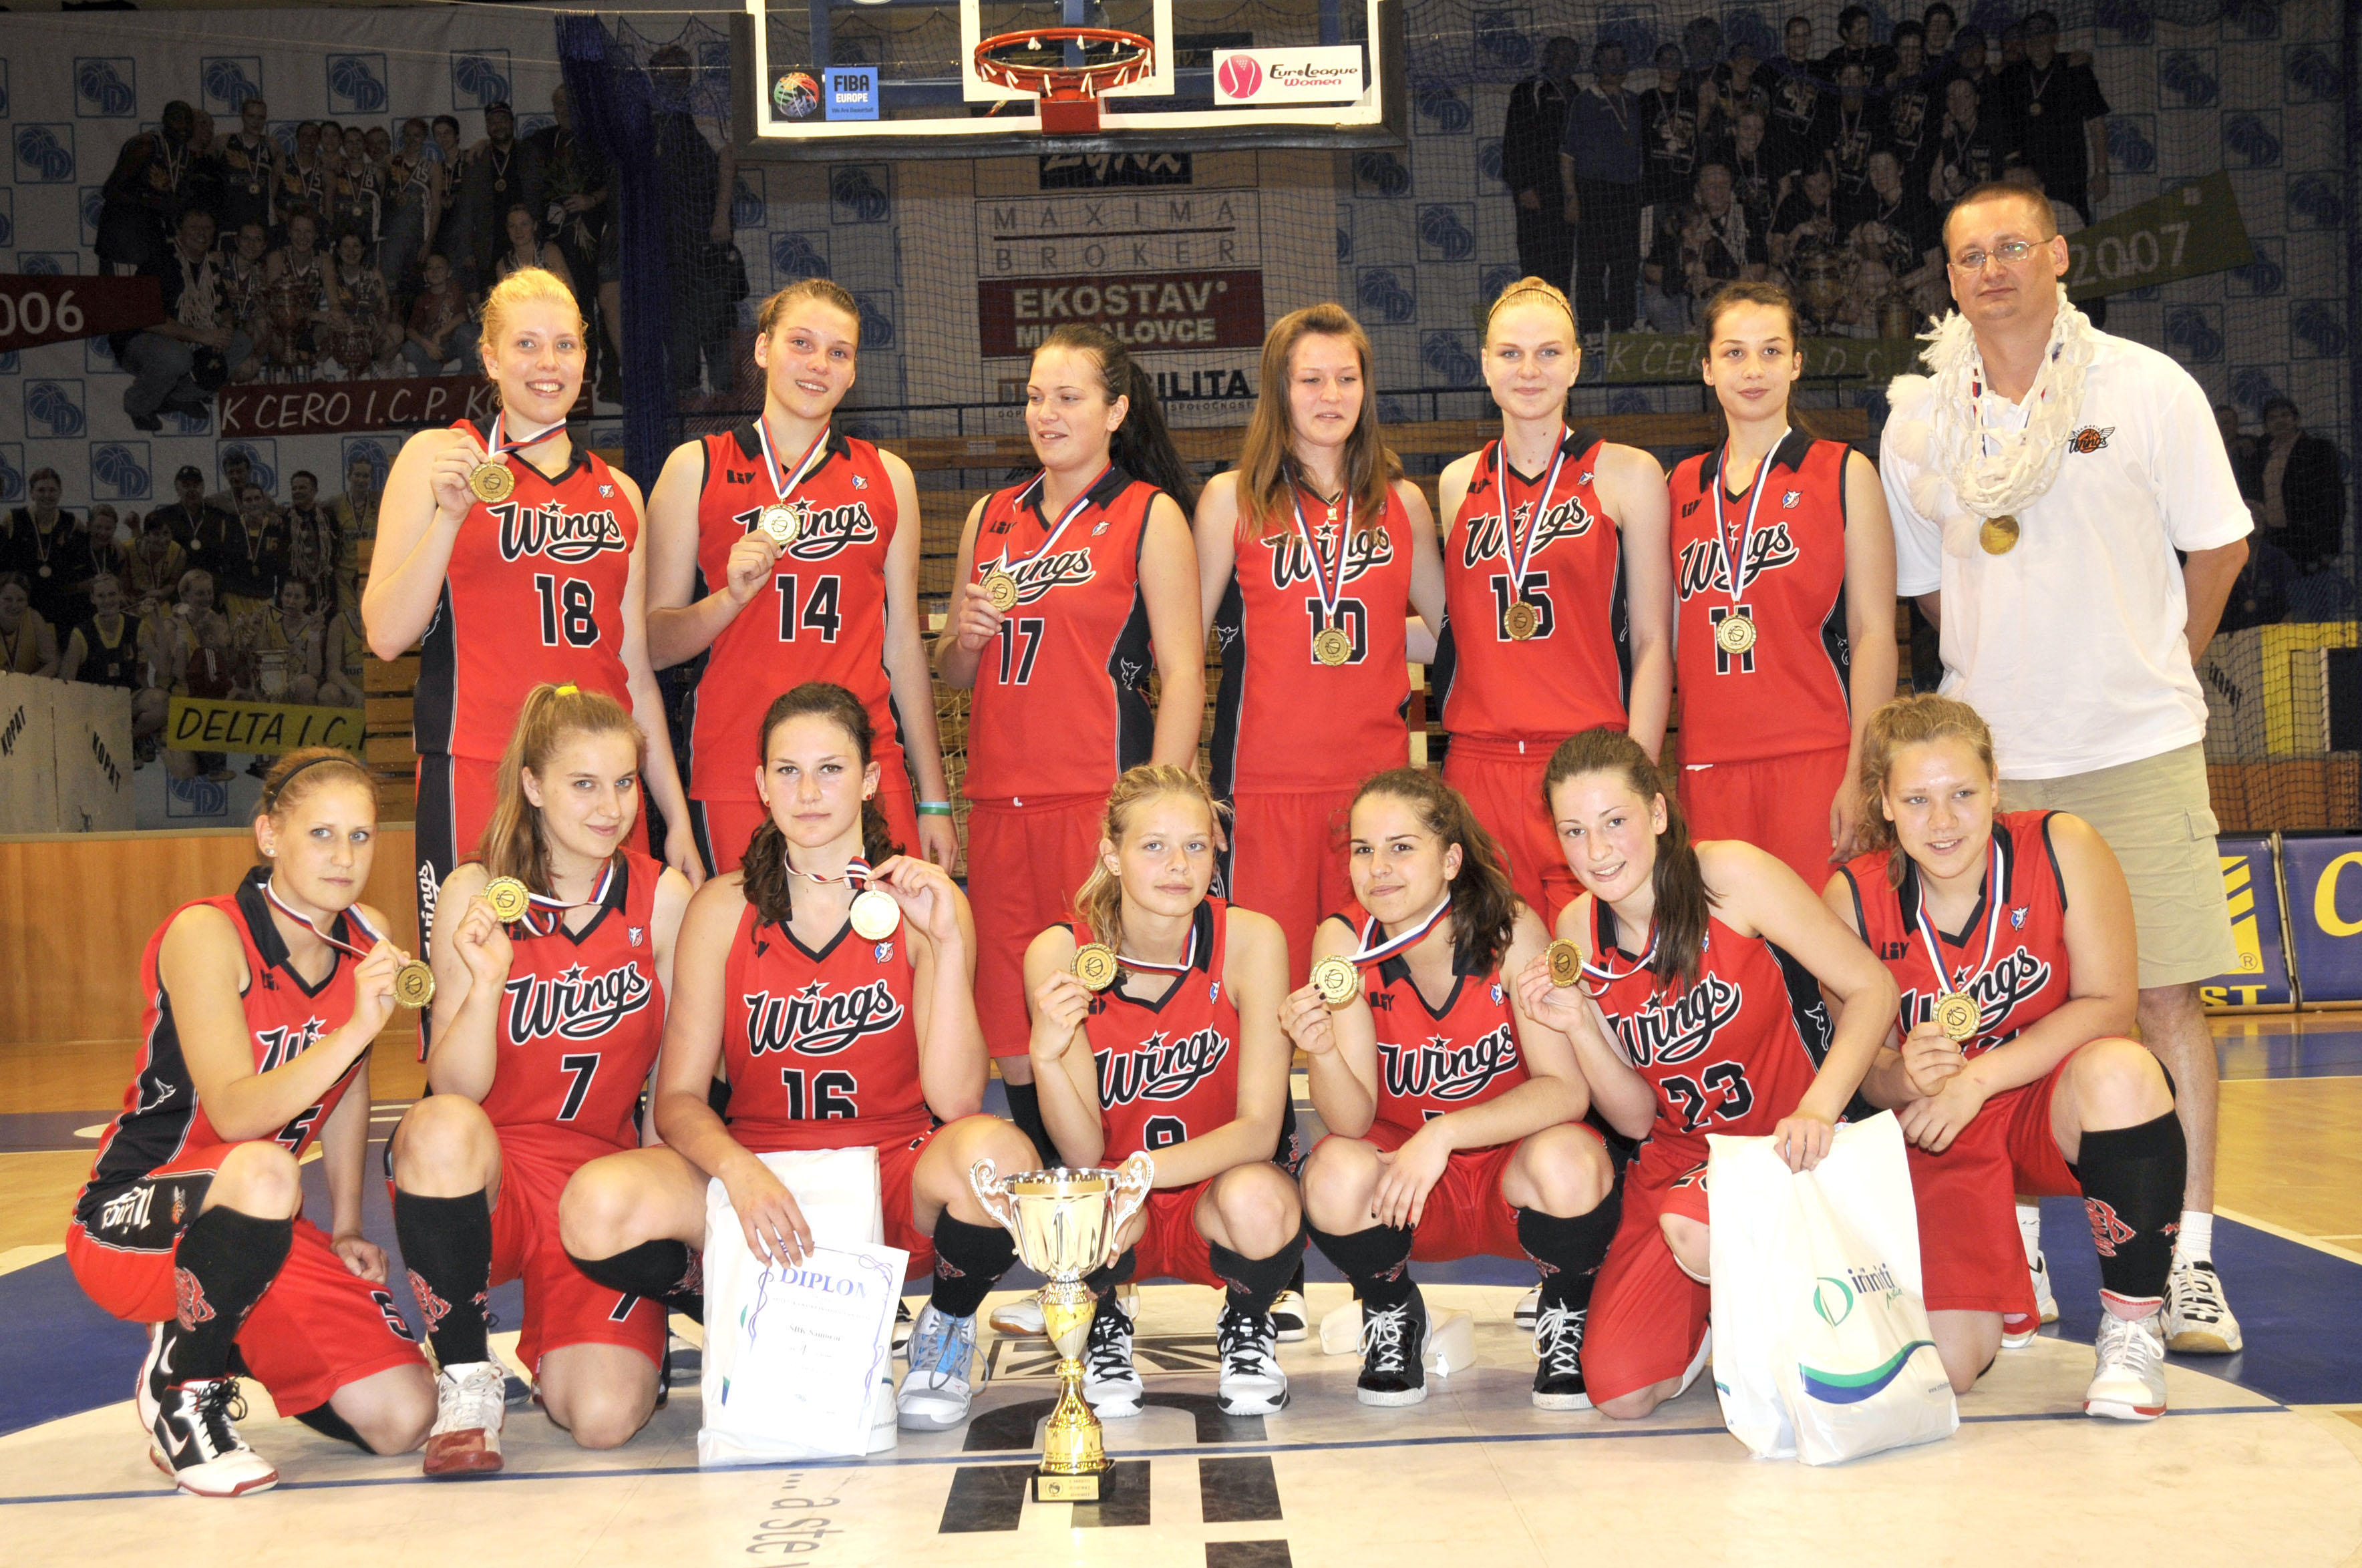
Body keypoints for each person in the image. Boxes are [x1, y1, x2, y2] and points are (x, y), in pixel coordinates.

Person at [1880, 180, 2252, 1356]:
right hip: (1994, 770)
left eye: (2012, 247)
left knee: (2165, 999)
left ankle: (2189, 1261)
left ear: (2058, 257)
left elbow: (2221, 548)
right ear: (1948, 279)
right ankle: (2018, 1253)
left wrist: (2156, 665)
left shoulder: (2146, 387)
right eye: (1968, 255)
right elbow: (1931, 591)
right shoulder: (1916, 422)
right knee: (1991, 1011)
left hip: (2136, 748)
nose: (1991, 269)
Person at [558, 682, 1037, 1433]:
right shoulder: (721, 907)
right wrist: (739, 1171)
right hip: (765, 1174)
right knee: (595, 1207)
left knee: (1001, 1159)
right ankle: (756, 1310)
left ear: (870, 780)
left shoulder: (923, 903)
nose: (808, 792)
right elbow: (676, 1099)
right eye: (787, 771)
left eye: (830, 769)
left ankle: (945, 1326)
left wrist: (946, 943)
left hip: (890, 1170)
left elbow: (955, 1102)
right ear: (760, 783)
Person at [65, 749, 436, 1495]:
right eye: (321, 834)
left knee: (403, 1417)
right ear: (269, 835)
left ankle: (214, 1322)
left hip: (256, 1225)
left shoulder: (367, 933)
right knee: (266, 1169)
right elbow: (234, 1113)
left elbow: (346, 1087)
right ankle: (185, 1389)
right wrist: (356, 1029)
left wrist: (347, 1226)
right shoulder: (208, 932)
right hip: (136, 1213)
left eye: (361, 835)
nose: (344, 856)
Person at [1518, 727, 1896, 1419]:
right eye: (1574, 831)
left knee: (1695, 1224)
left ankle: (1783, 1316)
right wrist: (1578, 1027)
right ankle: (1718, 1317)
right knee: (1621, 1391)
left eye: (1614, 822)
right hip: (1683, 1157)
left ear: (1658, 813)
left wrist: (1819, 1106)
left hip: (1792, 1140)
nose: (1596, 851)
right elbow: (1636, 1118)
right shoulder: (1576, 931)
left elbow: (1872, 987)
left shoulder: (1729, 875)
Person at [1830, 694, 2189, 1417]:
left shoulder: (2062, 846)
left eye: (1962, 793)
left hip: (2037, 1105)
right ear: (1885, 804)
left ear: (1995, 786)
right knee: (1950, 1367)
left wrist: (1978, 1079)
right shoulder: (1850, 898)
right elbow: (1863, 1071)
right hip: (1936, 1132)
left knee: (2124, 1070)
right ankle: (2003, 1291)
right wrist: (1904, 1074)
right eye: (1917, 799)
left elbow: (2109, 1002)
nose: (1942, 820)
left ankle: (2131, 1327)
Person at [388, 684, 692, 1473]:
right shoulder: (475, 891)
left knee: (603, 1418)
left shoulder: (662, 898)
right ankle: (465, 1374)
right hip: (492, 1179)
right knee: (438, 1127)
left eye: (623, 782)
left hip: (602, 1182)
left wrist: (655, 1212)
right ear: (531, 784)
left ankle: (592, 1339)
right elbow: (453, 1087)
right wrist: (488, 981)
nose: (610, 807)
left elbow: (673, 1082)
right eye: (582, 784)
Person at [364, 266, 703, 958]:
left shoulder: (620, 493)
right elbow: (387, 634)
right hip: (480, 766)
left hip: (602, 785)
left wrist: (674, 815)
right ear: (490, 358)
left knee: (605, 986)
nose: (548, 363)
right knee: (473, 984)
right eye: (526, 344)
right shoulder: (438, 457)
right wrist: (449, 517)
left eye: (565, 345)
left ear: (585, 357)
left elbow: (634, 672)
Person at [935, 324, 1204, 1160]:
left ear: (1115, 410)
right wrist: (964, 637)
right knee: (1009, 1015)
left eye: (1067, 397)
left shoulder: (1149, 514)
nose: (1044, 413)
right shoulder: (989, 515)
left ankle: (1113, 1182)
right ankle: (1048, 1189)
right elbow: (952, 673)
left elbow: (1183, 675)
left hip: (1096, 801)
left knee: (1096, 999)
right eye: (1033, 397)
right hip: (997, 800)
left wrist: (1154, 811)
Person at [1283, 769, 1619, 1410]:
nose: (1378, 868)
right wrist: (1321, 1051)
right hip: (1409, 1189)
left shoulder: (1512, 931)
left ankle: (1567, 1312)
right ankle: (1391, 1311)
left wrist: (1445, 1133)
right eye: (1363, 849)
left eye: (1401, 847)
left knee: (1573, 1158)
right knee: (1331, 1173)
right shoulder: (1344, 942)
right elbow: (1351, 1120)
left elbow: (1564, 1091)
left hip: (1509, 1178)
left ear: (1451, 860)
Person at [647, 278, 957, 877]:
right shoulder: (695, 468)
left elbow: (902, 648)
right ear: (763, 349)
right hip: (739, 766)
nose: (819, 364)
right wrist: (729, 600)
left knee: (880, 935)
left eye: (839, 352)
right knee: (748, 935)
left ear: (853, 372)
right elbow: (655, 645)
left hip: (864, 765)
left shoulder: (889, 478)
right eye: (801, 343)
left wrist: (935, 798)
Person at [1025, 765, 1304, 1416]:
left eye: (1196, 845)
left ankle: (1247, 1323)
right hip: (1120, 1210)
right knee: (1079, 1206)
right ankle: (1103, 1323)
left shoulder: (1251, 939)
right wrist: (1045, 1056)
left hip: (1215, 1193)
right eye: (1153, 845)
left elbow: (1260, 1129)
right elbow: (1082, 1148)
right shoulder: (1060, 952)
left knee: (1262, 1197)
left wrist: (1140, 1172)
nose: (1178, 865)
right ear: (1111, 855)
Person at [1195, 303, 1445, 981]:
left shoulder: (1402, 503)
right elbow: (1181, 650)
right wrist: (1185, 784)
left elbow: (1449, 632)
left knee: (1371, 983)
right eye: (1310, 380)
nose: (1330, 395)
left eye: (1346, 378)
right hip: (1261, 787)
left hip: (1377, 794)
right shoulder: (1230, 500)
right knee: (1264, 987)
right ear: (1278, 389)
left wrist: (1390, 644)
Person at [1432, 278, 1672, 921]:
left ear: (1575, 364)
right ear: (1486, 365)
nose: (1529, 370)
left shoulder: (1628, 473)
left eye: (1548, 353)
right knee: (1489, 958)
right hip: (1477, 764)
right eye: (1511, 354)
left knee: (1594, 954)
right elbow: (1459, 628)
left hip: (1586, 761)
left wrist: (1636, 774)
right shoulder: (1457, 483)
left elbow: (1654, 640)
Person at [1669, 282, 1895, 886]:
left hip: (1815, 757)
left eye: (1771, 351)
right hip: (1707, 763)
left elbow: (1874, 632)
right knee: (1726, 943)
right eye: (1734, 353)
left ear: (1796, 363)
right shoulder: (1679, 485)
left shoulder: (1844, 472)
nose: (1753, 370)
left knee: (1824, 935)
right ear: (1707, 368)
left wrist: (1863, 772)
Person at [115, 207, 248, 432]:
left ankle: (181, 397)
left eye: (207, 228)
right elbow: (148, 320)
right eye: (194, 227)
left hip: (190, 340)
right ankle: (139, 407)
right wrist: (202, 336)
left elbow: (225, 308)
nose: (201, 233)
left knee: (241, 342)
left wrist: (226, 327)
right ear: (179, 230)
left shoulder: (209, 266)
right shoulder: (159, 261)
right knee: (177, 357)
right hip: (141, 340)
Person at [1558, 43, 1643, 335]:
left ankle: (1622, 327)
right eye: (1608, 60)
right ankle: (1592, 329)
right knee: (1592, 264)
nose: (1615, 65)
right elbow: (1567, 155)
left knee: (1626, 264)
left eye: (1620, 59)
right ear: (1596, 65)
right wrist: (1572, 197)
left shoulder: (1634, 102)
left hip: (1628, 193)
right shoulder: (1584, 101)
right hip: (1594, 192)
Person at [1992, 11, 2107, 220]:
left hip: (2069, 177)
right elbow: (2002, 127)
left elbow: (2096, 124)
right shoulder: (2011, 76)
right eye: (2030, 36)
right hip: (2028, 179)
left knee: (2073, 230)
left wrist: (2101, 172)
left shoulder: (2076, 70)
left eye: (2042, 34)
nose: (2036, 41)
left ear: (2055, 37)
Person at [1503, 38, 1580, 295]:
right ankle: (1533, 316)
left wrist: (1574, 195)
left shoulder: (1576, 92)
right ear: (1547, 57)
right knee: (1535, 266)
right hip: (1535, 192)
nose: (1565, 61)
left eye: (1571, 57)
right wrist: (1523, 186)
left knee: (1562, 264)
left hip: (1565, 193)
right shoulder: (1530, 89)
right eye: (1560, 55)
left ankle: (1559, 315)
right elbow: (1514, 141)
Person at [63, 573, 168, 739]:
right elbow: (65, 682)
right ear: (92, 599)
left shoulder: (136, 626)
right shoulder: (81, 633)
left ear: (121, 595)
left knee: (161, 701)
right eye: (101, 596)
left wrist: (158, 622)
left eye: (112, 594)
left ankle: (129, 740)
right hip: (94, 703)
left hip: (127, 699)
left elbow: (164, 669)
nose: (107, 600)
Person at [2248, 397, 2345, 574]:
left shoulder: (2318, 450)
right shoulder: (2261, 454)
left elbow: (2332, 500)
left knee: (2308, 590)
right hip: (2272, 539)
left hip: (2307, 542)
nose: (2280, 421)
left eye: (2285, 415)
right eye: (2273, 418)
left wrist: (2328, 547)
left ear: (2297, 420)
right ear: (2265, 426)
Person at [3, 467, 78, 626]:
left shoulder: (70, 521)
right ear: (31, 493)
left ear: (60, 492)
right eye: (41, 490)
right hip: (22, 603)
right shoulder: (14, 519)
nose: (47, 495)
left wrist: (116, 543)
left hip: (58, 604)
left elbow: (95, 538)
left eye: (52, 490)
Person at [324, 228, 399, 377]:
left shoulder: (374, 274)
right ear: (338, 250)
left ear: (363, 250)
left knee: (396, 332)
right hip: (342, 332)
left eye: (356, 246)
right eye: (346, 246)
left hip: (370, 332)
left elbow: (385, 310)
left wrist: (380, 326)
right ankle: (322, 372)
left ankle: (380, 369)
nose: (351, 251)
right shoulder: (332, 276)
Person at [1639, 43, 1701, 218]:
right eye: (1667, 60)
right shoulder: (1646, 99)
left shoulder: (1691, 98)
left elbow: (1697, 138)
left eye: (1677, 61)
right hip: (1654, 184)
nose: (1672, 65)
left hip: (1684, 184)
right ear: (1657, 65)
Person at [402, 252, 480, 376]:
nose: (434, 272)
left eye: (439, 268)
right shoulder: (422, 298)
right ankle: (429, 376)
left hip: (454, 343)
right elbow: (410, 330)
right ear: (425, 274)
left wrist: (439, 334)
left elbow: (462, 317)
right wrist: (426, 344)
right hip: (432, 347)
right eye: (430, 268)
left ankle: (469, 375)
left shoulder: (455, 289)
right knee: (409, 348)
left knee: (467, 331)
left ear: (449, 272)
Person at [493, 204, 575, 299]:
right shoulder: (503, 265)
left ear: (535, 226)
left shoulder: (550, 252)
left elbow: (571, 293)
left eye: (524, 224)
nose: (518, 231)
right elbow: (504, 302)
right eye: (512, 226)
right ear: (507, 229)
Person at [0, 572, 60, 678]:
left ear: (27, 602)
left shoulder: (33, 618)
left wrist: (30, 682)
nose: (14, 606)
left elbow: (54, 662)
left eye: (20, 600)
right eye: (8, 599)